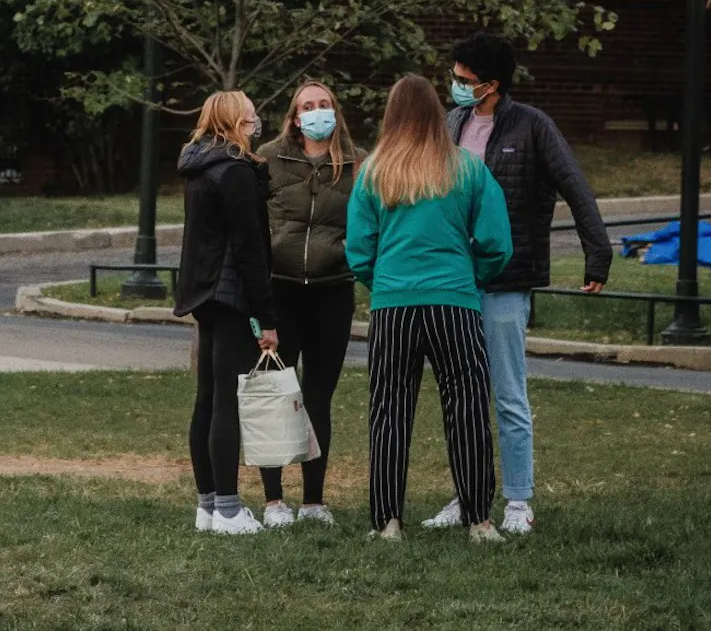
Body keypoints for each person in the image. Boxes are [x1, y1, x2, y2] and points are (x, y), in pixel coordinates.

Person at [424, 32, 612, 536]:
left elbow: (575, 185)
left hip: (507, 280)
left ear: (493, 84)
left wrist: (598, 253)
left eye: (465, 80)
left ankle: (518, 500)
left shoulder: (533, 127)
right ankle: (468, 496)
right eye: (455, 77)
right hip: (454, 280)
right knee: (463, 395)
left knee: (508, 393)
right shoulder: (451, 123)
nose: (456, 86)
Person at [346, 75, 512, 542]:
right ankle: (479, 519)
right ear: (438, 113)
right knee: (468, 406)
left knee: (389, 409)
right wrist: (472, 275)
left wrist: (380, 283)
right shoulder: (466, 168)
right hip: (453, 301)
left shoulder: (375, 171)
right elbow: (497, 241)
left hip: (393, 304)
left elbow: (359, 247)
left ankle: (387, 520)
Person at [256, 81, 365, 528]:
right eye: (307, 106)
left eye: (324, 105)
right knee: (276, 396)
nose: (317, 111)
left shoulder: (357, 164)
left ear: (335, 113)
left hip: (332, 291)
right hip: (279, 292)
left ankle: (315, 502)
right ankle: (273, 500)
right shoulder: (268, 159)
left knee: (318, 398)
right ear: (294, 116)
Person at [175, 89, 279, 535]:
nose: (257, 125)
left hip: (203, 294)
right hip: (231, 292)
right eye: (252, 118)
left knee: (208, 398)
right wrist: (267, 316)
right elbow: (249, 247)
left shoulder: (199, 168)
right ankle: (230, 509)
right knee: (226, 402)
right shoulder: (234, 172)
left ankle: (207, 503)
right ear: (236, 123)